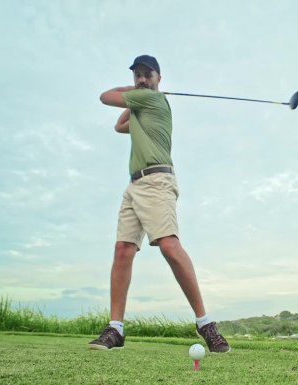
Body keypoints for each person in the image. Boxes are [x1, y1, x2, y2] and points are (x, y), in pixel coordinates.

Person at [88, 55, 230, 353]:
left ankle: (205, 323)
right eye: (136, 75)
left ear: (158, 78)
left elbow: (104, 97)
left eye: (146, 74)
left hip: (157, 181)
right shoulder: (142, 105)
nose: (140, 79)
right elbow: (119, 125)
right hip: (134, 185)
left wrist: (136, 91)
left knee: (169, 245)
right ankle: (116, 329)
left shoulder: (155, 102)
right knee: (123, 249)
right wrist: (137, 95)